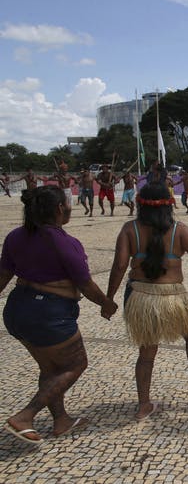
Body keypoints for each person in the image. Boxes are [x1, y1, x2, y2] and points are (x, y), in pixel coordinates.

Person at [1, 186, 116, 445]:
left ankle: (61, 419)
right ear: (58, 209)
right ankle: (25, 416)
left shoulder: (15, 237)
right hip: (49, 314)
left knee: (50, 367)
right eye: (67, 203)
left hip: (17, 311)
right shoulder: (65, 242)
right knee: (76, 364)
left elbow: (3, 276)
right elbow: (86, 285)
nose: (70, 207)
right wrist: (106, 304)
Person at [105, 182, 188, 420]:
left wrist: (108, 298)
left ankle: (144, 404)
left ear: (141, 205)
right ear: (169, 206)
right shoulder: (179, 229)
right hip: (174, 295)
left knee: (147, 352)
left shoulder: (129, 229)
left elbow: (120, 265)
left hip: (140, 297)